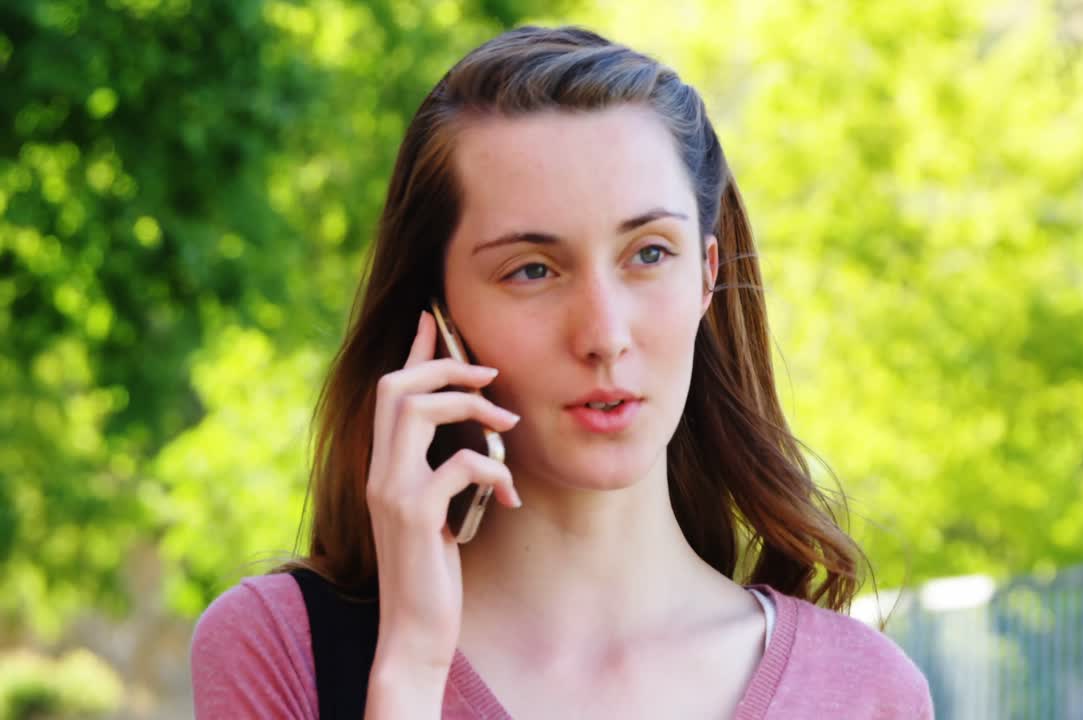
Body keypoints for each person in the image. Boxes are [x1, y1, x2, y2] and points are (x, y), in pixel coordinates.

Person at [190, 24, 933, 719]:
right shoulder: (287, 649)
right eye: (534, 270)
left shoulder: (865, 690)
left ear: (706, 275)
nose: (604, 335)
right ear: (438, 313)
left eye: (648, 254)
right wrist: (411, 666)